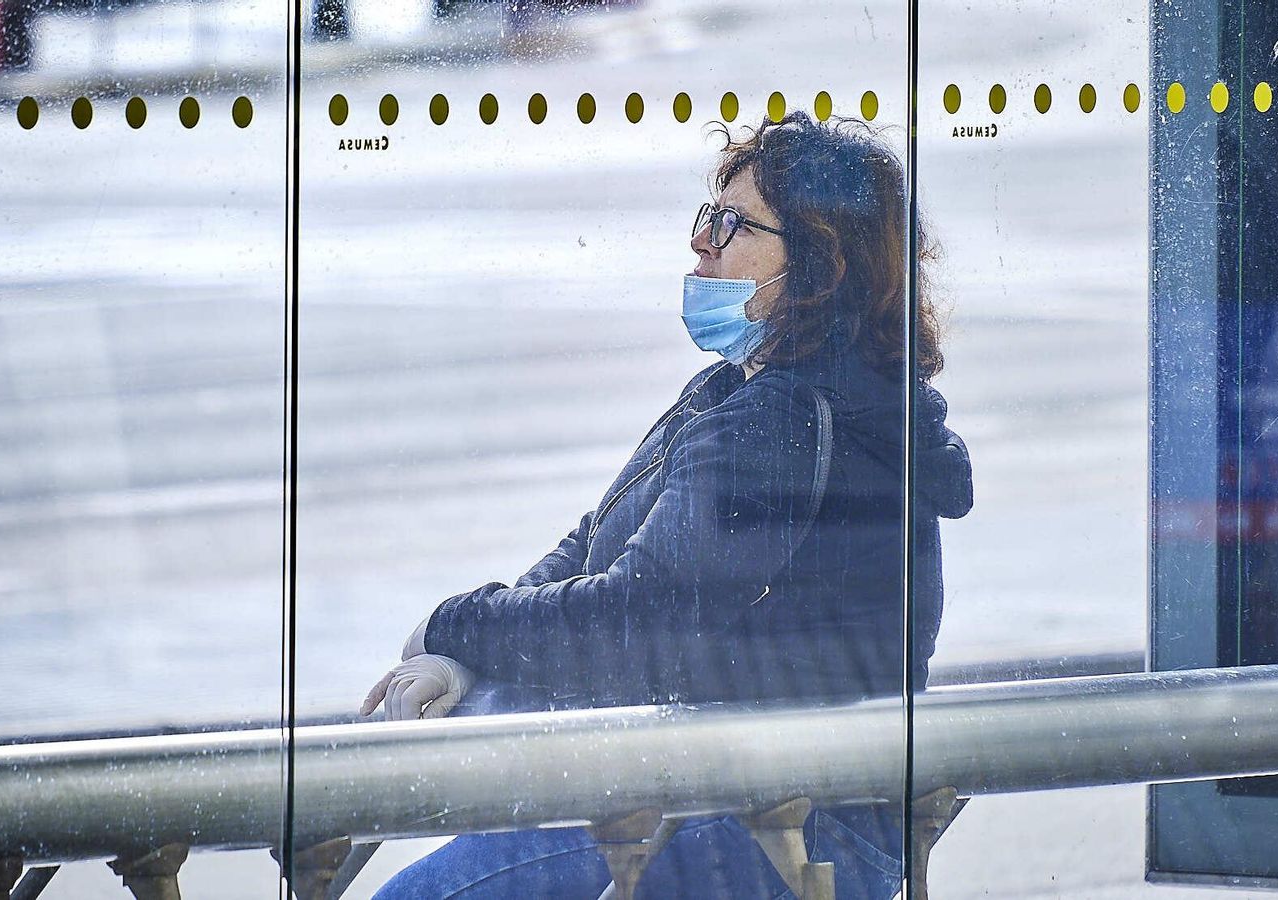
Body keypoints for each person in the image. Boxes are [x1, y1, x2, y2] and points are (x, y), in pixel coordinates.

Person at [360, 112, 972, 898]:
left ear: (820, 265)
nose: (701, 240)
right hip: (726, 793)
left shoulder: (781, 424)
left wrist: (451, 626)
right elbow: (594, 545)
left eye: (734, 223)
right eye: (709, 215)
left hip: (765, 818)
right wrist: (467, 653)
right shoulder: (737, 392)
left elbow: (639, 620)